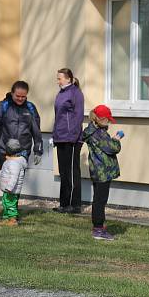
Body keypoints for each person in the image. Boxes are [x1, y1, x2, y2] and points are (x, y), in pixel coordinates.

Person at [82, 105, 122, 241]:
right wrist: (116, 139)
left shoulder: (93, 131)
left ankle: (98, 227)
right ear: (101, 119)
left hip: (98, 171)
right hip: (102, 172)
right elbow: (113, 148)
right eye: (107, 120)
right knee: (100, 200)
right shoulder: (98, 134)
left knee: (99, 199)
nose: (109, 122)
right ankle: (98, 229)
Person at [0, 80, 43, 169]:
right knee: (7, 180)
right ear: (12, 93)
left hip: (23, 153)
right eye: (17, 96)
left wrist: (38, 150)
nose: (20, 99)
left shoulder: (30, 108)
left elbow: (36, 131)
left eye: (23, 97)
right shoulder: (3, 106)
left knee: (18, 181)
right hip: (4, 152)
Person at [52, 68, 85, 214]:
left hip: (72, 138)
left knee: (72, 171)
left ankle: (74, 204)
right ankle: (64, 204)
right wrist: (55, 135)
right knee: (64, 171)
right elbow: (58, 116)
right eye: (57, 78)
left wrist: (73, 136)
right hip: (60, 137)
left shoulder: (75, 93)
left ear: (68, 79)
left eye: (60, 78)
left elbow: (78, 116)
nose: (57, 81)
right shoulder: (61, 93)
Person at [0, 139, 27, 226]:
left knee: (10, 205)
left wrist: (9, 188)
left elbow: (14, 177)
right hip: (8, 190)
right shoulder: (9, 161)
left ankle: (13, 220)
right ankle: (7, 218)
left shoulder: (15, 163)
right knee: (6, 203)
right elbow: (3, 172)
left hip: (11, 190)